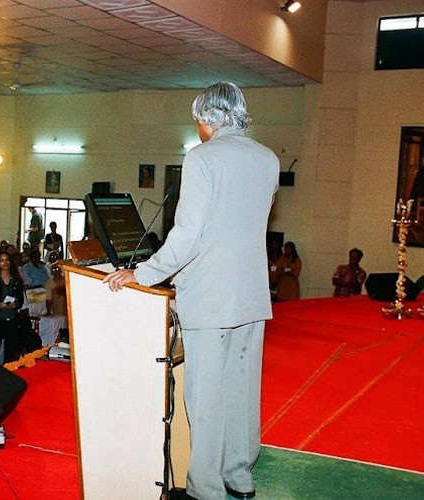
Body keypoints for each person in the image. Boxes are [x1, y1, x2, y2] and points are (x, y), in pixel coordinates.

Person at [103, 82, 279, 500]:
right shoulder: (268, 159)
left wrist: (143, 274)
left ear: (211, 118)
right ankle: (239, 474)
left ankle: (206, 487)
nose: (198, 127)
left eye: (199, 119)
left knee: (206, 398)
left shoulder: (202, 159)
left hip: (211, 298)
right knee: (242, 391)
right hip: (252, 295)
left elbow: (188, 234)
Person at [0, 251, 25, 363]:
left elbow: (21, 300)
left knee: (11, 351)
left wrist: (15, 304)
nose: (5, 262)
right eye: (1, 260)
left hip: (12, 319)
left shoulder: (16, 280)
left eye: (7, 260)